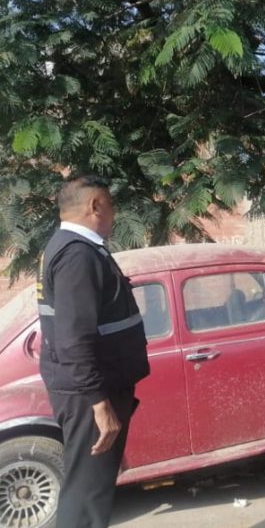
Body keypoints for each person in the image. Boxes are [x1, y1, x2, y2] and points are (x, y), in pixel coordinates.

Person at [37, 175, 150, 527]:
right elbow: (74, 338)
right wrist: (98, 403)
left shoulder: (69, 248)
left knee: (90, 488)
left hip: (89, 387)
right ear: (95, 206)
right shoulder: (77, 256)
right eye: (111, 206)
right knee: (87, 496)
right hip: (90, 394)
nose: (114, 216)